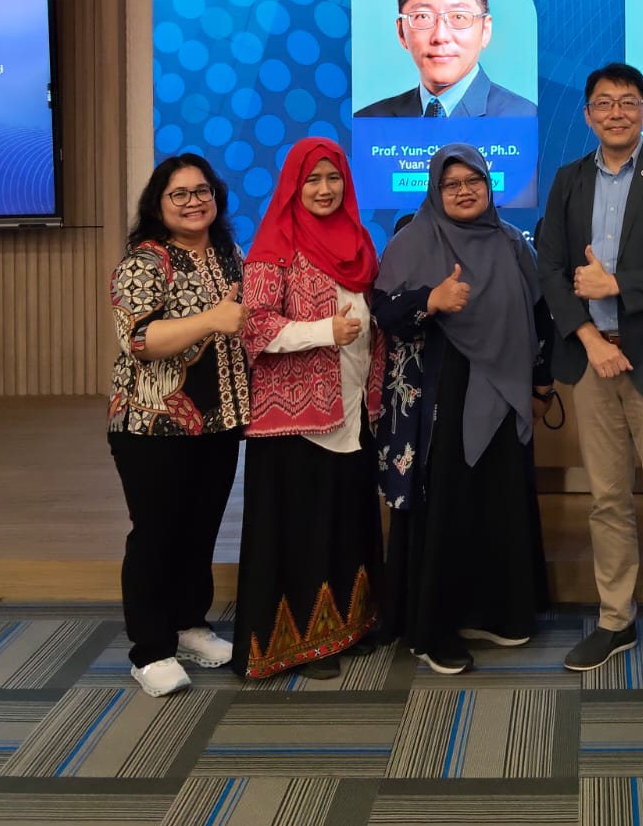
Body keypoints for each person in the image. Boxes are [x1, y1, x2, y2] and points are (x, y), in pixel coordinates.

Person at [537, 62, 643, 695]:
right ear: (587, 114)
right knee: (607, 500)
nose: (616, 112)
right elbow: (549, 267)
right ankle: (615, 620)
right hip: (592, 363)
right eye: (604, 103)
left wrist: (617, 285)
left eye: (628, 102)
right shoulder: (568, 179)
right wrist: (587, 337)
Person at [371, 144, 551, 674]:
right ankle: (435, 629)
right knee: (446, 502)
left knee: (498, 498)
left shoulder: (511, 241)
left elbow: (537, 311)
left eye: (474, 181)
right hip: (441, 393)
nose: (465, 191)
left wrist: (542, 380)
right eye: (452, 184)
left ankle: (494, 611)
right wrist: (431, 300)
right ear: (435, 190)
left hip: (505, 390)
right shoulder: (412, 240)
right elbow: (385, 312)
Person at [231, 139, 385, 679]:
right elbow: (255, 327)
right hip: (294, 421)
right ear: (293, 187)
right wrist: (324, 331)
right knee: (303, 530)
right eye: (312, 180)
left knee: (346, 523)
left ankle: (347, 628)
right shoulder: (273, 248)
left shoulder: (360, 244)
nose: (324, 189)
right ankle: (300, 643)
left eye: (333, 178)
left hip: (353, 409)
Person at [107, 153, 250, 697]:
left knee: (200, 528)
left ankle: (190, 625)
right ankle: (149, 649)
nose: (194, 202)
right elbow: (139, 339)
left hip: (219, 421)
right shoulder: (145, 261)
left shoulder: (229, 254)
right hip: (151, 426)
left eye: (202, 191)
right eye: (180, 194)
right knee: (156, 533)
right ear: (158, 204)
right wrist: (212, 319)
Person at [355, 0, 536, 118]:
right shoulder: (368, 120)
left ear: (485, 30)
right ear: (401, 32)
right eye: (423, 16)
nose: (440, 37)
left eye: (458, 16)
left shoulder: (525, 118)